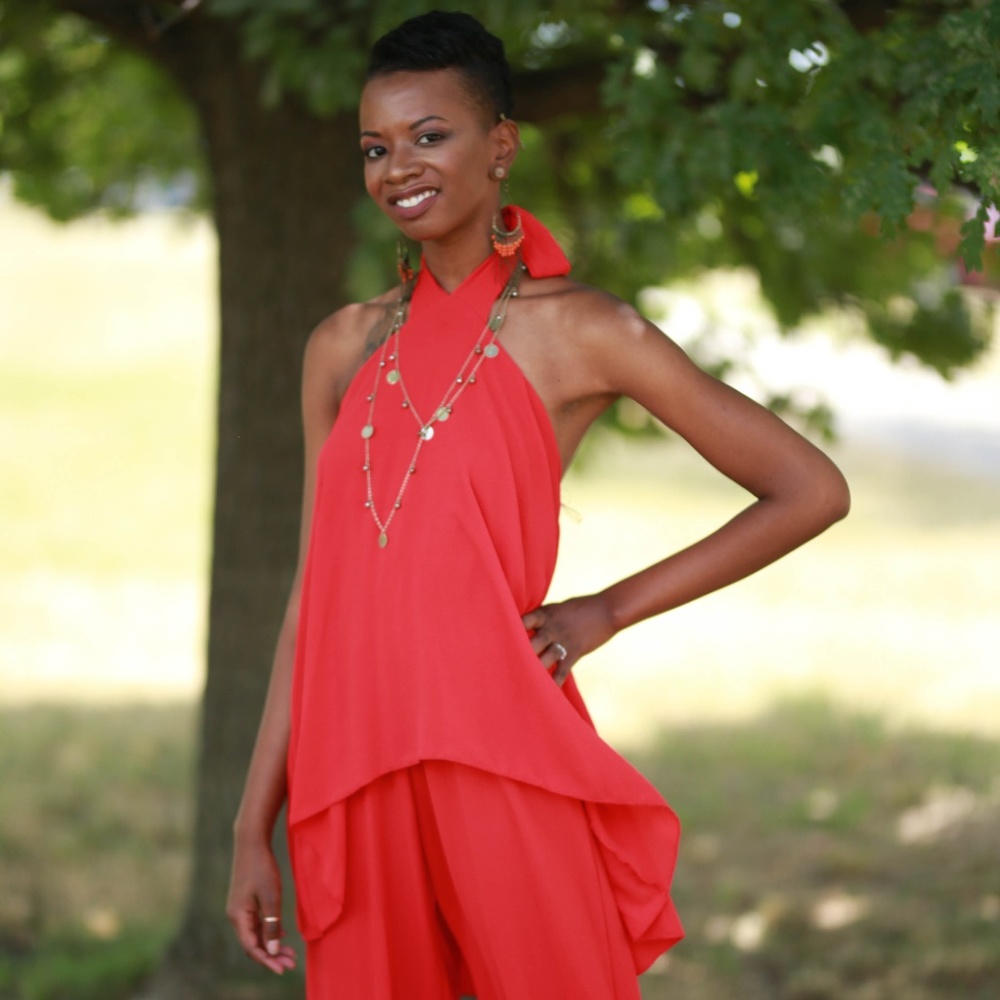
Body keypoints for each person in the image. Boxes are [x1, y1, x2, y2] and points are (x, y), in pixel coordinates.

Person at [226, 10, 850, 999]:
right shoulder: (338, 348)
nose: (397, 167)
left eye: (430, 135)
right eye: (375, 147)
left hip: (499, 750)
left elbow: (808, 489)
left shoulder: (583, 331)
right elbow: (315, 597)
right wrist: (251, 824)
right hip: (353, 759)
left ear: (500, 146)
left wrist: (606, 609)